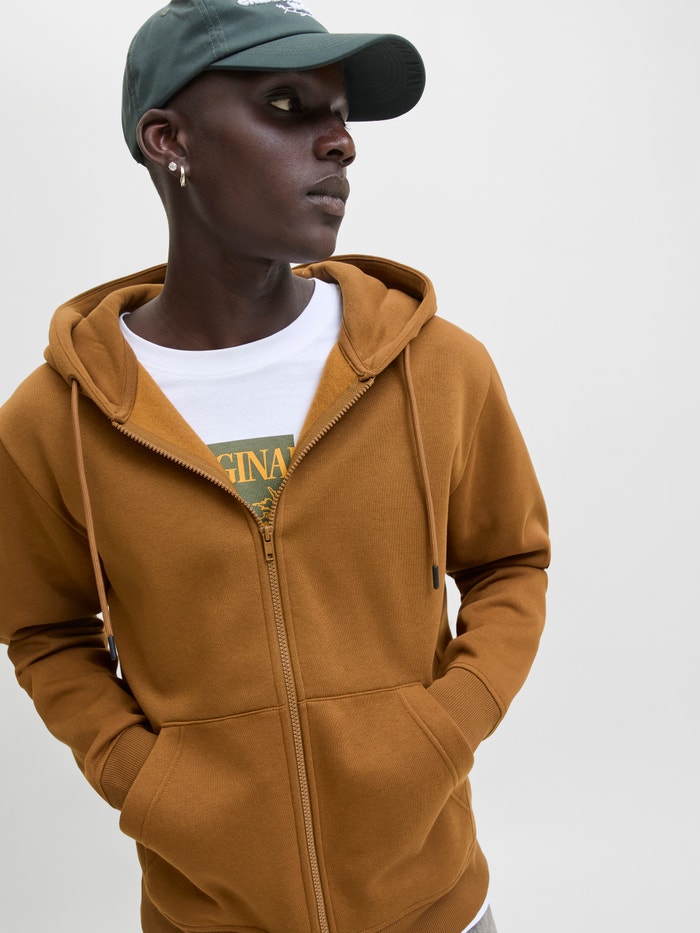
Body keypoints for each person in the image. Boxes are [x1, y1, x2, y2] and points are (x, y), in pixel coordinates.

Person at [0, 2, 549, 931]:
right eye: (288, 106)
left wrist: (444, 726)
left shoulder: (439, 367)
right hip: (208, 914)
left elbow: (510, 563)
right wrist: (147, 778)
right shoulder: (51, 422)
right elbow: (44, 629)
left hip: (437, 907)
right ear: (168, 140)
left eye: (341, 115)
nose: (341, 143)